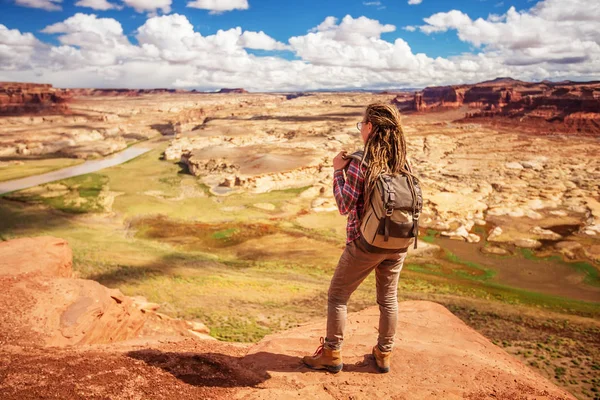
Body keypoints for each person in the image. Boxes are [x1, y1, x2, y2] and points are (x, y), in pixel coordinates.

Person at [302, 102, 412, 374]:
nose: (360, 129)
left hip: (365, 244)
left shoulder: (360, 161)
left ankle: (331, 352)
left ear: (370, 127)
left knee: (337, 296)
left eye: (361, 124)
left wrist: (337, 170)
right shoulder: (403, 161)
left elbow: (344, 205)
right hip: (398, 243)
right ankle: (384, 354)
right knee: (388, 299)